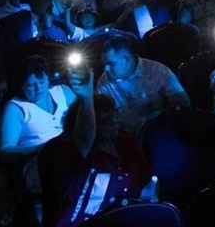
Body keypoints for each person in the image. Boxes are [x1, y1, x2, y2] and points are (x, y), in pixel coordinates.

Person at [40, 72, 156, 227]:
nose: (113, 120)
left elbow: (146, 178)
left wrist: (149, 195)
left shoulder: (124, 143)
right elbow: (84, 137)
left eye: (113, 114)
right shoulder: (70, 151)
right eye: (105, 119)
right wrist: (86, 98)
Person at [0, 55, 77, 192]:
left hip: (73, 153)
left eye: (42, 82)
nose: (38, 89)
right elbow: (5, 150)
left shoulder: (63, 92)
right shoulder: (16, 108)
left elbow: (82, 119)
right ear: (21, 86)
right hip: (41, 165)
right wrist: (40, 149)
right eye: (30, 85)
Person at [96, 34, 190, 133]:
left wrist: (164, 101)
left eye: (110, 63)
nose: (105, 69)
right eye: (104, 64)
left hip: (161, 132)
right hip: (125, 138)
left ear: (127, 59)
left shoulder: (158, 71)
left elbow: (185, 103)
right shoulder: (104, 82)